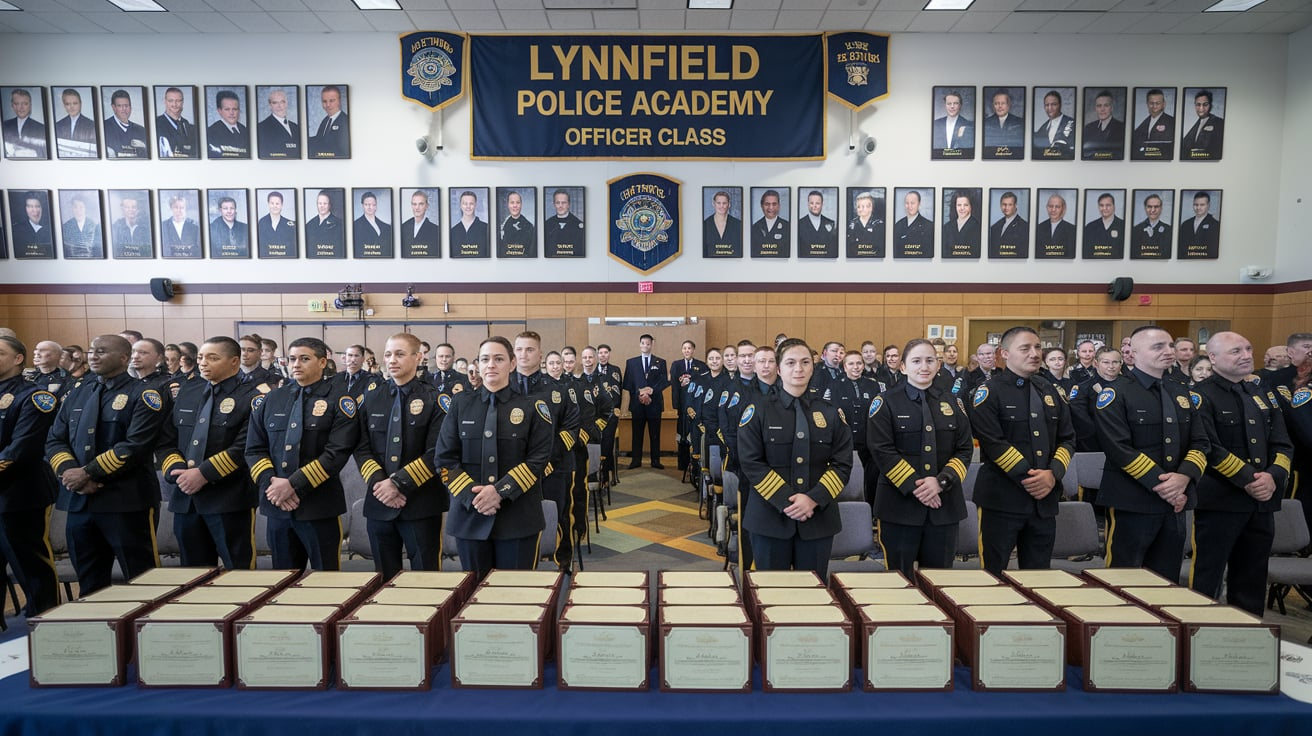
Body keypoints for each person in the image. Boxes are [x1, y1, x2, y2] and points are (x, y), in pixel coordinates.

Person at [45, 335, 167, 594]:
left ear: (124, 357)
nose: (93, 356)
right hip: (80, 501)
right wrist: (69, 473)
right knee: (89, 582)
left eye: (101, 351)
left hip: (124, 501)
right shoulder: (79, 392)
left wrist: (87, 473)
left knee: (143, 580)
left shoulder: (144, 395)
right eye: (91, 351)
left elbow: (134, 445)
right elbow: (55, 439)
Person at [1093, 326, 1209, 582]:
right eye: (1158, 346)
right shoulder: (1115, 393)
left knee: (1166, 579)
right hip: (1133, 499)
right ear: (1132, 353)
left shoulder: (1181, 392)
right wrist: (1166, 486)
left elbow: (1200, 442)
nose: (1168, 351)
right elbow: (1119, 448)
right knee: (1124, 579)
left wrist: (1184, 478)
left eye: (1170, 345)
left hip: (1175, 502)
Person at [1189, 332, 1291, 616]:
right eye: (1235, 351)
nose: (1246, 355)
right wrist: (1249, 479)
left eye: (1248, 349)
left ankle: (1246, 638)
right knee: (1207, 578)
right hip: (1221, 500)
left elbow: (1282, 442)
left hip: (1261, 502)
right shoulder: (1201, 395)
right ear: (1213, 358)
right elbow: (1209, 447)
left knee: (1252, 576)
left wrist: (1272, 476)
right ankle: (1199, 632)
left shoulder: (1262, 392)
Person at [435, 336, 553, 580]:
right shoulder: (460, 404)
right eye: (485, 359)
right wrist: (475, 497)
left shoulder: (533, 407)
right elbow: (445, 459)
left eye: (498, 359)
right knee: (472, 594)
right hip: (470, 515)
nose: (491, 365)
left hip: (517, 517)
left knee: (516, 594)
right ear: (477, 365)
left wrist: (499, 491)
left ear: (511, 364)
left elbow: (538, 459)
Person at [737, 338, 852, 577]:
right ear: (779, 369)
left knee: (815, 595)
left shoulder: (829, 412)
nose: (798, 369)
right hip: (769, 517)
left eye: (805, 362)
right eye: (790, 363)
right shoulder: (758, 410)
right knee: (771, 594)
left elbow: (842, 463)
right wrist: (787, 501)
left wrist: (812, 499)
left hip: (817, 518)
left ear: (813, 367)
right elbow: (751, 462)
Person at [245, 337, 359, 571]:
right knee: (282, 580)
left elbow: (336, 453)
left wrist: (293, 485)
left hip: (318, 506)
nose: (296, 364)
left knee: (325, 581)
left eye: (304, 359)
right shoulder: (272, 399)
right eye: (293, 358)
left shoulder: (339, 400)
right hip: (277, 504)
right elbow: (254, 449)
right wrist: (273, 485)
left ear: (322, 362)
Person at [969, 327, 1075, 575]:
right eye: (1025, 348)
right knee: (993, 577)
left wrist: (1052, 474)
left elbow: (1068, 439)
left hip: (1044, 500)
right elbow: (993, 442)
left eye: (1038, 347)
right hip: (1003, 498)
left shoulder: (1051, 390)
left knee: (1039, 577)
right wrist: (1031, 477)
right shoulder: (989, 392)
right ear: (1004, 353)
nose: (1034, 353)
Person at [867, 339, 972, 577]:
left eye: (929, 360)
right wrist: (919, 488)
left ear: (938, 365)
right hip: (899, 506)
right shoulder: (885, 402)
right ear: (903, 367)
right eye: (916, 361)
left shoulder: (953, 403)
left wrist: (940, 482)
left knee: (939, 581)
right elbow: (882, 450)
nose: (923, 366)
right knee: (899, 582)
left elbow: (964, 449)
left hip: (943, 506)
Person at [156, 336, 260, 570]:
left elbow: (245, 446)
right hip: (186, 498)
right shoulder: (187, 391)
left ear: (234, 362)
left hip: (228, 498)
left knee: (239, 571)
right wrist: (175, 470)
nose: (204, 363)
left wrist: (203, 474)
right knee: (193, 574)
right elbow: (167, 439)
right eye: (201, 357)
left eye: (213, 358)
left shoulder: (252, 397)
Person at [352, 333, 446, 580]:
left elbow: (437, 451)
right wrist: (381, 484)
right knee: (383, 579)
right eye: (388, 354)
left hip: (420, 503)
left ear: (418, 357)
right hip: (379, 501)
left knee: (427, 579)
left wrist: (398, 484)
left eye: (400, 354)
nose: (392, 360)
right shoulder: (371, 398)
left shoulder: (435, 399)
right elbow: (361, 447)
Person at [0, 336, 61, 615]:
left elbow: (21, 448)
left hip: (20, 492)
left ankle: (44, 615)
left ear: (17, 359)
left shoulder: (36, 396)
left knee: (29, 561)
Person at [830, 350, 883, 505]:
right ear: (844, 367)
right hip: (845, 442)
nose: (856, 367)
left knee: (871, 478)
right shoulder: (835, 386)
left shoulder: (873, 385)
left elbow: (878, 412)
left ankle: (871, 512)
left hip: (869, 442)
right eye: (851, 363)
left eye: (859, 363)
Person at [623, 334, 668, 469]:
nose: (645, 346)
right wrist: (641, 393)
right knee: (637, 434)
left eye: (648, 343)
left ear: (651, 344)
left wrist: (651, 391)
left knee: (655, 434)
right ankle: (636, 460)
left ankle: (656, 461)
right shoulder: (631, 362)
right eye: (643, 343)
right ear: (640, 344)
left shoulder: (661, 362)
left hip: (655, 404)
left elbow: (664, 381)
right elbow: (627, 383)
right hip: (637, 404)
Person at [670, 340, 708, 474]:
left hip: (696, 407)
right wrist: (676, 405)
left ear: (693, 350)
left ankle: (696, 465)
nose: (687, 350)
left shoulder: (701, 366)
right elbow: (674, 386)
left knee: (695, 435)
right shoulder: (676, 365)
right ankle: (682, 464)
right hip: (682, 405)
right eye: (684, 348)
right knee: (682, 435)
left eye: (689, 348)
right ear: (682, 350)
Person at [3, 87, 47, 159]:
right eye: (17, 104)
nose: (21, 107)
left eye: (25, 104)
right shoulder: (4, 125)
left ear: (30, 106)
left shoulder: (41, 128)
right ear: (12, 106)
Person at [103, 89, 148, 159]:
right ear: (113, 107)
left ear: (130, 107)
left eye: (126, 105)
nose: (124, 109)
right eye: (120, 106)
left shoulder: (141, 130)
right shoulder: (104, 127)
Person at [256, 87, 299, 159]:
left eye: (282, 102)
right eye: (275, 102)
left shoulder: (295, 126)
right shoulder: (262, 127)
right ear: (270, 105)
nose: (279, 106)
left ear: (286, 103)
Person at [155, 86, 197, 158]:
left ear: (182, 102)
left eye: (178, 101)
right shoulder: (156, 124)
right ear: (165, 102)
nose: (174, 104)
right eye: (170, 101)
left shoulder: (190, 127)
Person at [1132, 88, 1174, 159]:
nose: (1154, 106)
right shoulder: (1143, 124)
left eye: (1158, 103)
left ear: (1164, 104)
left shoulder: (1172, 122)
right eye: (1151, 103)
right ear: (1147, 103)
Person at [54, 88, 97, 158]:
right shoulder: (58, 125)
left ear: (80, 104)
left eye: (75, 103)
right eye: (68, 104)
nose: (72, 107)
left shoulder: (91, 125)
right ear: (64, 106)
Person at [308, 85, 349, 158]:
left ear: (339, 101)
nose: (328, 105)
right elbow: (319, 140)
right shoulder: (325, 121)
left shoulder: (345, 121)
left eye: (332, 100)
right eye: (324, 101)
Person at [206, 89, 249, 158]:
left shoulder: (245, 129)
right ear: (219, 111)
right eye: (227, 109)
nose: (231, 113)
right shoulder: (211, 132)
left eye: (235, 109)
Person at [1181, 89, 1224, 159]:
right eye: (1198, 104)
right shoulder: (1196, 125)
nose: (1201, 108)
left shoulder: (1219, 123)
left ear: (1211, 106)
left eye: (1205, 104)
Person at [1082, 89, 1124, 160]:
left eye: (1106, 105)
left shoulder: (1121, 128)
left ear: (1112, 108)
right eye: (1099, 106)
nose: (1102, 109)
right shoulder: (1088, 128)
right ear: (1095, 108)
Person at [1032, 89, 1074, 159]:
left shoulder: (1072, 123)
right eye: (1047, 105)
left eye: (1053, 104)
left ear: (1060, 105)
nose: (1050, 108)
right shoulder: (1042, 128)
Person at [1177, 190, 1220, 259]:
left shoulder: (1215, 225)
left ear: (1208, 205)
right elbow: (1180, 247)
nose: (1198, 208)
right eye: (1196, 205)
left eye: (1202, 205)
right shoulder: (1186, 224)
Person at [543, 188, 585, 258]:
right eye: (557, 202)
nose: (560, 206)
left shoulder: (578, 225)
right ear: (554, 204)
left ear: (568, 204)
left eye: (564, 203)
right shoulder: (547, 224)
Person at [987, 190, 1028, 259]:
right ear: (1000, 206)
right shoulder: (995, 226)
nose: (1006, 208)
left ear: (1015, 206)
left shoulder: (1024, 226)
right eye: (1004, 204)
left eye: (1010, 205)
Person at [1083, 192, 1125, 260]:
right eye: (1101, 205)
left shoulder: (1123, 225)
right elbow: (1086, 252)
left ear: (1114, 207)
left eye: (1108, 205)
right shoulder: (1090, 227)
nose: (1104, 208)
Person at [304, 190, 344, 258]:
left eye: (325, 203)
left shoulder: (339, 224)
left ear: (330, 205)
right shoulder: (309, 224)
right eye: (320, 203)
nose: (322, 206)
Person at [796, 190, 837, 257]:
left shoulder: (831, 223)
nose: (814, 206)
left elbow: (832, 249)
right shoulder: (799, 224)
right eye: (812, 203)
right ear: (808, 204)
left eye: (817, 203)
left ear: (822, 204)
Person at [940, 190, 980, 258]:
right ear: (955, 206)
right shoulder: (946, 227)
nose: (962, 208)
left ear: (971, 206)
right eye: (959, 205)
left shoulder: (978, 227)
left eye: (966, 205)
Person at [1034, 192, 1076, 258]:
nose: (1053, 210)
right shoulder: (1039, 228)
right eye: (1050, 206)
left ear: (1063, 209)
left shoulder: (1072, 230)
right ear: (1047, 208)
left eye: (1057, 207)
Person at [703, 190, 742, 258]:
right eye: (718, 203)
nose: (721, 206)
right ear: (713, 204)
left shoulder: (738, 224)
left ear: (729, 204)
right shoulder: (705, 224)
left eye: (724, 203)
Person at [450, 190, 489, 258]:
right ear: (460, 205)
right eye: (465, 203)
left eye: (471, 203)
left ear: (475, 205)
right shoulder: (453, 231)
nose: (468, 206)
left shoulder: (486, 228)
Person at [750, 189, 789, 257]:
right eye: (767, 204)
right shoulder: (755, 227)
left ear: (779, 206)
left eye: (774, 204)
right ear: (762, 206)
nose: (771, 208)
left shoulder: (788, 226)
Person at [497, 190, 536, 257]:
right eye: (512, 202)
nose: (515, 205)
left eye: (518, 202)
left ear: (521, 205)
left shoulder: (529, 227)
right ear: (508, 205)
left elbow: (531, 252)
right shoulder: (502, 226)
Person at [401, 190, 441, 256]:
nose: (417, 207)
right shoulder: (404, 226)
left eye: (421, 204)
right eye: (414, 204)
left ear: (427, 206)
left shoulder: (435, 230)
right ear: (411, 205)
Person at [160, 194, 201, 258]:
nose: (179, 211)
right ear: (171, 208)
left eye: (182, 208)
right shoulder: (163, 226)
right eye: (176, 207)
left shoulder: (195, 227)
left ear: (186, 209)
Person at [894, 189, 932, 257]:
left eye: (912, 203)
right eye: (907, 203)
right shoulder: (898, 225)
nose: (909, 206)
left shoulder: (929, 226)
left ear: (919, 204)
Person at [353, 191, 392, 257]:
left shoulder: (386, 227)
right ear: (362, 206)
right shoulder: (356, 225)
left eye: (373, 204)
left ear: (376, 206)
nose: (370, 207)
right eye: (367, 204)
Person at [257, 190, 296, 256]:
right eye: (272, 203)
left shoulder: (291, 224)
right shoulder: (261, 223)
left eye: (277, 203)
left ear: (282, 205)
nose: (275, 206)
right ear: (268, 204)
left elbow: (292, 248)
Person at [1133, 193, 1172, 258]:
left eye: (1156, 207)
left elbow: (1166, 253)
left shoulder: (1169, 229)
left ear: (1161, 208)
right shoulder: (1136, 229)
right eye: (1149, 207)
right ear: (1145, 208)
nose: (1153, 210)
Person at [847, 191, 884, 256]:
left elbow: (880, 248)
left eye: (864, 206)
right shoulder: (852, 224)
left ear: (871, 208)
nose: (860, 209)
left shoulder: (879, 224)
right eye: (858, 207)